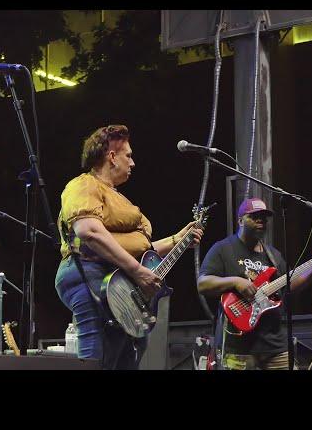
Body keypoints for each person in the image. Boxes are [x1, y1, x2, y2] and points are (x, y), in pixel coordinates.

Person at [55, 124, 203, 369]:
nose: (133, 163)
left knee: (125, 357)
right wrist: (137, 270)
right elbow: (88, 231)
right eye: (128, 156)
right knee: (97, 358)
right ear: (111, 156)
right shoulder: (83, 185)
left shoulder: (118, 197)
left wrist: (178, 240)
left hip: (119, 278)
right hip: (90, 273)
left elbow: (135, 247)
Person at [198, 197, 312, 370]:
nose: (261, 220)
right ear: (240, 220)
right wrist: (235, 281)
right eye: (254, 216)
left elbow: (289, 285)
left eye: (264, 217)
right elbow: (203, 284)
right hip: (238, 345)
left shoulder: (273, 255)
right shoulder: (223, 248)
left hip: (274, 344)